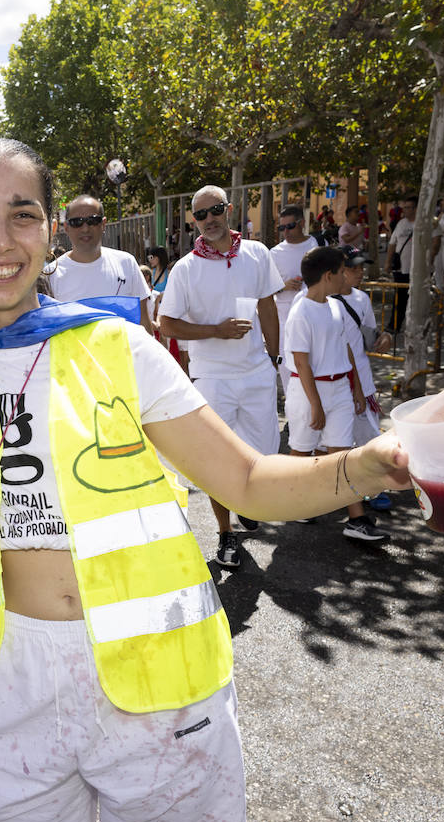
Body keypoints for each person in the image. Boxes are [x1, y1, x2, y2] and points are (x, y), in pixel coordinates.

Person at [0, 137, 444, 822]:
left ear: (49, 232)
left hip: (163, 678)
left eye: (23, 214)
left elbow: (249, 482)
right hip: (17, 688)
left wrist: (373, 463)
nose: (0, 239)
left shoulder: (115, 347)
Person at [159, 186, 284, 568]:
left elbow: (267, 305)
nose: (209, 219)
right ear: (193, 221)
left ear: (229, 209)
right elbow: (167, 325)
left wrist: (274, 359)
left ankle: (244, 501)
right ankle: (226, 533)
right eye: (200, 214)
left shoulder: (257, 253)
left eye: (214, 210)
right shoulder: (186, 268)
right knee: (216, 458)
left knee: (263, 452)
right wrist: (216, 330)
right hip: (213, 377)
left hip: (257, 372)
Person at [283, 246, 388, 541]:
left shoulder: (334, 305)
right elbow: (301, 362)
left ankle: (357, 520)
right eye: (343, 271)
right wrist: (316, 404)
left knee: (341, 453)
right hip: (308, 391)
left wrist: (355, 387)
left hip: (340, 387)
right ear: (328, 276)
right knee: (301, 451)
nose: (348, 275)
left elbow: (346, 348)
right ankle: (296, 501)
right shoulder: (301, 311)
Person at [334, 251, 394, 513]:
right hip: (333, 380)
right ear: (339, 270)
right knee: (331, 442)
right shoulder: (321, 300)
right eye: (354, 267)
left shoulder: (362, 299)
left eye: (362, 267)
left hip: (363, 381)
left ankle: (373, 489)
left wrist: (384, 338)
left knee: (369, 437)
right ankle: (323, 493)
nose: (360, 272)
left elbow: (369, 337)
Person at [47, 194, 154, 335]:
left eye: (92, 221)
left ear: (103, 224)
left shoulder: (126, 263)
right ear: (66, 227)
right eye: (77, 222)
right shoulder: (51, 274)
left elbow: (144, 323)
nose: (85, 228)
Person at [270, 204, 319, 387]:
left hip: (315, 318)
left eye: (290, 226)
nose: (286, 232)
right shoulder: (274, 253)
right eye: (282, 228)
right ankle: (293, 413)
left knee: (314, 366)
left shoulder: (317, 245)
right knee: (288, 370)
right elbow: (263, 289)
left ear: (302, 223)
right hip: (285, 322)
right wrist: (283, 286)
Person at [385, 196, 418, 334]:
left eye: (408, 207)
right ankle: (394, 325)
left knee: (416, 300)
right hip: (400, 268)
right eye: (404, 207)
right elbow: (392, 244)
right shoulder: (400, 224)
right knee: (399, 298)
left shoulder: (424, 223)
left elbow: (435, 242)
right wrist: (387, 262)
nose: (405, 210)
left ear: (416, 208)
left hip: (418, 270)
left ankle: (414, 328)